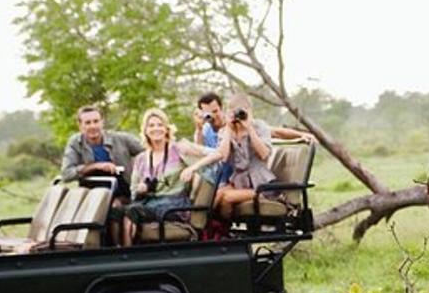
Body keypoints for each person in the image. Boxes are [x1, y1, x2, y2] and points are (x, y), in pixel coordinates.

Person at [122, 109, 223, 246]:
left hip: (174, 205)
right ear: (145, 130)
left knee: (132, 212)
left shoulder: (178, 149)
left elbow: (217, 155)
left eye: (160, 125)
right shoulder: (140, 159)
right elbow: (133, 191)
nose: (156, 128)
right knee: (118, 212)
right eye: (151, 125)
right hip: (149, 203)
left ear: (166, 128)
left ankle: (128, 257)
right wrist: (142, 189)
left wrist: (192, 168)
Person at [211, 94, 281, 221]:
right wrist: (228, 128)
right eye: (235, 112)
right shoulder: (225, 131)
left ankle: (220, 233)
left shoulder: (259, 126)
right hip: (239, 182)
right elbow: (223, 157)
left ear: (250, 111)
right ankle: (215, 232)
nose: (238, 116)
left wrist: (249, 128)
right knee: (217, 194)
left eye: (242, 111)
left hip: (261, 186)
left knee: (227, 197)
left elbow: (264, 154)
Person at [59, 105, 143, 199]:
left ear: (102, 122)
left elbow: (148, 151)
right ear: (80, 125)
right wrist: (96, 166)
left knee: (116, 205)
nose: (93, 126)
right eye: (88, 123)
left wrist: (140, 173)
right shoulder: (75, 143)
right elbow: (66, 174)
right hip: (92, 194)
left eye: (96, 121)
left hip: (123, 189)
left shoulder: (121, 139)